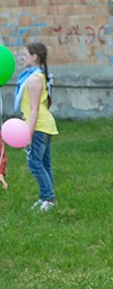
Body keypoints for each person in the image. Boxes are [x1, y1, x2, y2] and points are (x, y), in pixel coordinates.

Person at [15, 41, 58, 210]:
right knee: (44, 164)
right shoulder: (37, 76)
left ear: (34, 57)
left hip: (39, 126)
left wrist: (28, 133)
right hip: (44, 124)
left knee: (35, 164)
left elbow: (34, 109)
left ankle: (49, 198)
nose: (22, 58)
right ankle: (45, 197)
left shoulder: (34, 79)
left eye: (24, 55)